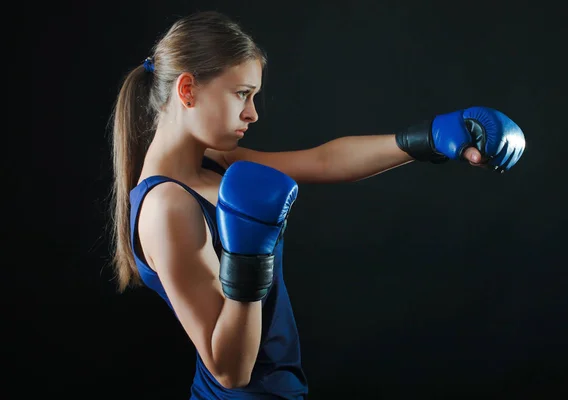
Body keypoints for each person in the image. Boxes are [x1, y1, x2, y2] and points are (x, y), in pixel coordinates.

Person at [108, 10, 526, 400]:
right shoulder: (166, 206)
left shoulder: (213, 162)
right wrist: (249, 258)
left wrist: (430, 138)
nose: (252, 113)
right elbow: (229, 370)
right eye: (242, 94)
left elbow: (326, 160)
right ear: (187, 90)